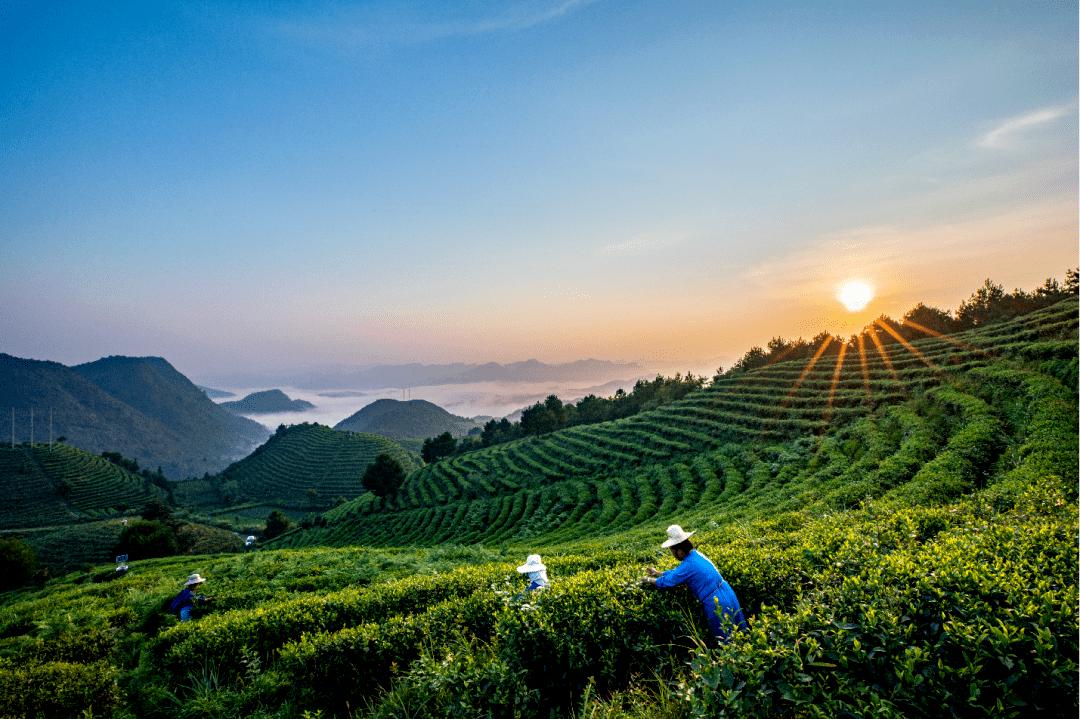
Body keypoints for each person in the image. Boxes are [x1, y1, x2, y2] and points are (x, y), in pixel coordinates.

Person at [642, 525, 747, 642]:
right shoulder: (696, 555)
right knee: (741, 633)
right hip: (727, 592)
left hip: (716, 601)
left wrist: (648, 580)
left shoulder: (688, 565)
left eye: (672, 550)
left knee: (726, 640)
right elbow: (678, 572)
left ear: (680, 551)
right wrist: (658, 573)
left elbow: (669, 581)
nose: (672, 553)